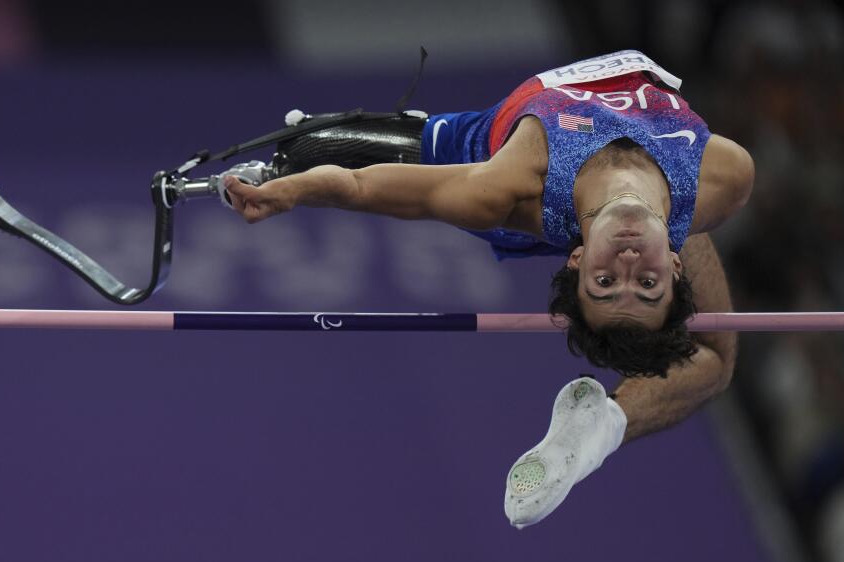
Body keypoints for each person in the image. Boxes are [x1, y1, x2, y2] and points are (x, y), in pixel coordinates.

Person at [222, 50, 752, 527]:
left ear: (577, 260)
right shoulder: (724, 177)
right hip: (643, 198)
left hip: (481, 153)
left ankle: (590, 434)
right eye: (649, 283)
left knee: (316, 149)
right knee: (712, 359)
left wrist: (292, 190)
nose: (630, 259)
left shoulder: (505, 184)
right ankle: (604, 425)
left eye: (606, 281)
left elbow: (362, 188)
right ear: (676, 266)